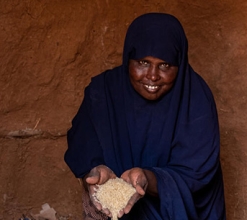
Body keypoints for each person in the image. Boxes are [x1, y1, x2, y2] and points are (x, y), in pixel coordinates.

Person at [64, 13, 226, 220]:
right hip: (116, 213)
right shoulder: (104, 92)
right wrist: (95, 170)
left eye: (165, 65)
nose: (152, 75)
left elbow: (197, 173)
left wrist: (147, 179)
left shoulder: (196, 100)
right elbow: (83, 142)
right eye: (142, 62)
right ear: (128, 58)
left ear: (180, 63)